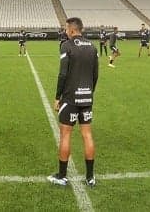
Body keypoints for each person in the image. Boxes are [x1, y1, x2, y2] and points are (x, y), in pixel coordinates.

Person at [48, 17, 98, 187]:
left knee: (65, 135)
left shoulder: (66, 46)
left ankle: (62, 176)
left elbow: (62, 74)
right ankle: (90, 177)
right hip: (87, 97)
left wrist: (57, 97)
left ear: (72, 29)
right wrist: (90, 93)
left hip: (70, 98)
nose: (65, 31)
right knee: (87, 135)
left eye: (66, 28)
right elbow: (95, 74)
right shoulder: (92, 47)